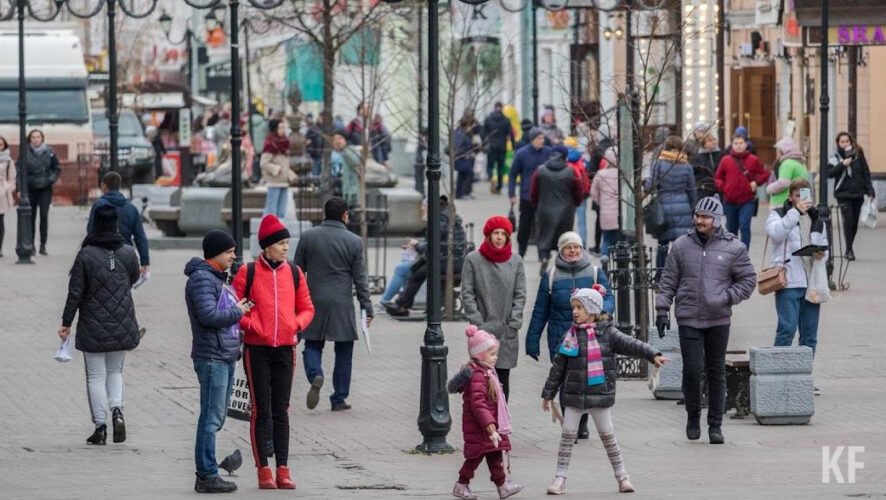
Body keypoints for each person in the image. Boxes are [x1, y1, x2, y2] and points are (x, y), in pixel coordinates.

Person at [542, 288, 667, 494]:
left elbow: (631, 344)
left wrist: (653, 354)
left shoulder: (608, 333)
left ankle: (622, 477)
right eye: (573, 307)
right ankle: (560, 479)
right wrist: (548, 393)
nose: (575, 311)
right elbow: (558, 367)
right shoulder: (570, 335)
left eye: (579, 307)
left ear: (592, 309)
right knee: (567, 436)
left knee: (608, 436)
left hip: (600, 394)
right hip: (573, 395)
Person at [655, 196, 756, 444]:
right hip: (688, 316)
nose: (700, 220)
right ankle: (692, 417)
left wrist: (726, 297)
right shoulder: (680, 246)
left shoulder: (734, 248)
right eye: (697, 216)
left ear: (716, 220)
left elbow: (748, 280)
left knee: (716, 371)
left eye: (705, 217)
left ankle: (715, 425)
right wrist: (661, 309)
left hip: (718, 318)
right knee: (691, 369)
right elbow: (668, 280)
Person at [233, 215, 315, 489]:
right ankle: (263, 470)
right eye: (280, 243)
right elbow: (234, 308)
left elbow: (307, 308)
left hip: (285, 350)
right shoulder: (249, 272)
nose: (285, 248)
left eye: (287, 243)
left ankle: (283, 467)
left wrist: (296, 325)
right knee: (261, 411)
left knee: (282, 410)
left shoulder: (294, 273)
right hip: (256, 349)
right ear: (267, 246)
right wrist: (252, 324)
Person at [59, 206, 140, 446]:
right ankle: (118, 410)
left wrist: (66, 323)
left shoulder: (86, 254)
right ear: (116, 223)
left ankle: (101, 426)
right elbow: (133, 278)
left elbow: (75, 293)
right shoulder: (128, 252)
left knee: (95, 375)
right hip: (122, 320)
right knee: (116, 371)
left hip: (92, 322)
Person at [525, 231, 614, 440]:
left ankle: (582, 422)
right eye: (568, 247)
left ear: (581, 249)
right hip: (561, 336)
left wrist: (603, 312)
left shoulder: (594, 272)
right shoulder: (551, 275)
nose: (572, 250)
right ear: (561, 250)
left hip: (589, 335)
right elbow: (540, 310)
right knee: (566, 380)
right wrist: (532, 340)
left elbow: (608, 296)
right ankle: (570, 424)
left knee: (585, 379)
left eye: (576, 247)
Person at [185, 229, 251, 493]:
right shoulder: (202, 279)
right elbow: (209, 316)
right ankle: (207, 474)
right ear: (215, 253)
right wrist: (238, 311)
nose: (234, 256)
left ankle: (208, 472)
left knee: (216, 417)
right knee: (211, 418)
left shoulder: (216, 278)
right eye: (229, 251)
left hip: (223, 354)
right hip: (212, 356)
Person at [295, 197, 373, 411]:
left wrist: (293, 303)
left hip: (313, 300)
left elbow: (296, 272)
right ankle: (339, 398)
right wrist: (367, 307)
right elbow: (360, 279)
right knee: (344, 351)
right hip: (342, 303)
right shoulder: (354, 241)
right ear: (345, 215)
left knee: (311, 344)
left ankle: (315, 374)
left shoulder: (308, 237)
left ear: (324, 214)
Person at [448, 326, 524, 500]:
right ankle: (461, 484)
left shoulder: (486, 372)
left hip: (488, 426)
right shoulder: (478, 376)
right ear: (480, 355)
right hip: (481, 427)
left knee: (494, 455)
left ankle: (502, 485)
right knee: (475, 457)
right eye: (491, 354)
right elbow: (478, 404)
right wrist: (489, 426)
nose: (495, 358)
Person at [460, 216, 527, 401]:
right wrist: (478, 323)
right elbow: (467, 293)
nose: (499, 237)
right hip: (483, 331)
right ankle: (484, 423)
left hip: (506, 331)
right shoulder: (473, 260)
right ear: (488, 236)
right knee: (481, 380)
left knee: (502, 380)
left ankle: (501, 423)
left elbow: (520, 294)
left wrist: (514, 322)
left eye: (503, 234)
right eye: (495, 233)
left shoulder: (516, 261)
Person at [766, 179, 827, 360]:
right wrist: (795, 213)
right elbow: (776, 234)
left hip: (812, 282)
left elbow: (825, 246)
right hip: (789, 281)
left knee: (809, 336)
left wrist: (821, 254)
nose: (802, 199)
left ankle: (803, 378)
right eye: (798, 196)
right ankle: (776, 373)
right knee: (787, 329)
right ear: (791, 196)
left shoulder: (816, 218)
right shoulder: (778, 214)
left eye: (805, 195)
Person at [385, 196, 467, 317]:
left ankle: (401, 305)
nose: (421, 208)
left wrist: (417, 245)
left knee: (417, 272)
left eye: (424, 206)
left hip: (446, 263)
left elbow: (431, 249)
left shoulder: (437, 221)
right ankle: (401, 305)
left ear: (430, 207)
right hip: (452, 260)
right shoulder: (449, 218)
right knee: (418, 268)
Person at [644, 135, 697, 269]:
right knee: (683, 246)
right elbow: (692, 191)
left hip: (663, 208)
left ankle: (660, 276)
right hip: (683, 208)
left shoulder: (659, 164)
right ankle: (682, 274)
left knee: (662, 246)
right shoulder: (687, 166)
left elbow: (650, 186)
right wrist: (692, 210)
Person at [531, 145, 584, 270]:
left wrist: (537, 205)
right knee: (563, 237)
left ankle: (544, 257)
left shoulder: (540, 170)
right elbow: (578, 190)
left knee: (544, 235)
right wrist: (576, 203)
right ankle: (562, 262)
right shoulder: (571, 171)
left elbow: (534, 191)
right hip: (566, 210)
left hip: (544, 209)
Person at [87, 172, 150, 276]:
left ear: (104, 186)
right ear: (118, 186)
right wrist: (145, 261)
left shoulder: (99, 205)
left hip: (102, 254)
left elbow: (90, 230)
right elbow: (140, 237)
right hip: (125, 255)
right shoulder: (131, 208)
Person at [715, 133, 769, 248]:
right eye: (735, 143)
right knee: (731, 229)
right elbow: (718, 177)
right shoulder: (726, 160)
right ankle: (733, 253)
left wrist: (756, 182)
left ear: (746, 144)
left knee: (744, 226)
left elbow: (764, 174)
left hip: (747, 200)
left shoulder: (753, 159)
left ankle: (744, 254)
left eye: (741, 143)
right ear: (732, 145)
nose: (738, 146)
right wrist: (724, 187)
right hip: (730, 201)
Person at [828, 131, 876, 261]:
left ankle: (849, 246)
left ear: (851, 142)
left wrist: (870, 191)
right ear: (838, 143)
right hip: (843, 194)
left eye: (847, 141)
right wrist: (842, 164)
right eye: (842, 142)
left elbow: (866, 173)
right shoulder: (835, 157)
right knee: (847, 220)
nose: (844, 144)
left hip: (858, 193)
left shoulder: (858, 155)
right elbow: (829, 173)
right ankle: (849, 249)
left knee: (854, 222)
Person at [509, 128, 551, 258]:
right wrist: (512, 194)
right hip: (527, 195)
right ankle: (521, 251)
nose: (542, 141)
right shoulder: (522, 153)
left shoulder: (548, 152)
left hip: (544, 195)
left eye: (543, 138)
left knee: (543, 225)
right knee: (524, 226)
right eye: (539, 138)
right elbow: (513, 174)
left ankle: (542, 253)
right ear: (532, 140)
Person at [25, 129, 60, 255]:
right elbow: (20, 170)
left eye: (38, 137)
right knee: (30, 217)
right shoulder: (25, 152)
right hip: (30, 188)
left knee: (44, 216)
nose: (35, 139)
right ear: (30, 139)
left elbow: (57, 168)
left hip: (45, 188)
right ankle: (31, 245)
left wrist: (50, 180)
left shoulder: (49, 152)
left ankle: (43, 245)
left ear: (42, 138)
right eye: (33, 137)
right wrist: (20, 188)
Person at [260, 119, 295, 218]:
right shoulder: (270, 144)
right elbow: (264, 163)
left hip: (284, 180)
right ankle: (267, 230)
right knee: (271, 210)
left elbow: (284, 163)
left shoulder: (285, 143)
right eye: (280, 128)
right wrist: (276, 169)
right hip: (274, 180)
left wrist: (289, 174)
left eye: (283, 127)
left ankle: (279, 231)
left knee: (281, 211)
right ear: (274, 129)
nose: (282, 130)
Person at [590, 147, 619, 261]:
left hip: (605, 212)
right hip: (619, 214)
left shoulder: (601, 174)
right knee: (619, 239)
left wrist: (600, 202)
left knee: (606, 237)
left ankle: (604, 256)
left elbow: (593, 192)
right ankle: (617, 259)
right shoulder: (623, 175)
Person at [766, 137, 809, 207]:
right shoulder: (801, 163)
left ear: (784, 150)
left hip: (783, 202)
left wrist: (769, 188)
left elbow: (783, 183)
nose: (778, 153)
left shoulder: (787, 164)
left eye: (779, 150)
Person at [482, 102, 515, 194]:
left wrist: (484, 144)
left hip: (491, 146)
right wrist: (513, 146)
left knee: (490, 165)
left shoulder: (488, 119)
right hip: (502, 146)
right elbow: (511, 134)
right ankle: (499, 187)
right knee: (501, 167)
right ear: (502, 108)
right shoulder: (506, 120)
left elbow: (483, 133)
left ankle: (491, 177)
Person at [564, 137, 590, 247]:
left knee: (566, 221)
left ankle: (566, 242)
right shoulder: (582, 161)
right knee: (581, 221)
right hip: (581, 195)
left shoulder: (564, 161)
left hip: (567, 195)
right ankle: (582, 243)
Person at [690, 132, 722, 199]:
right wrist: (700, 184)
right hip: (704, 190)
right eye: (710, 140)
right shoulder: (698, 157)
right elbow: (694, 174)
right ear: (704, 143)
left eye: (714, 140)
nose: (713, 142)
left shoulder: (721, 155)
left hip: (719, 189)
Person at [453, 115, 477, 200]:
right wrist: (466, 154)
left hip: (464, 158)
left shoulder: (464, 133)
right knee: (465, 175)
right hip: (462, 159)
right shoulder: (460, 133)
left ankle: (461, 193)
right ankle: (462, 193)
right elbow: (458, 147)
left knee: (462, 176)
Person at [0, 135, 15, 258]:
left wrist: (6, 188)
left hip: (1, 194)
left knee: (0, 221)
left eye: (1, 144)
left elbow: (12, 179)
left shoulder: (9, 161)